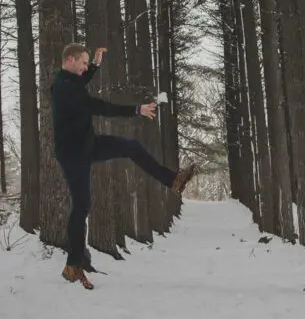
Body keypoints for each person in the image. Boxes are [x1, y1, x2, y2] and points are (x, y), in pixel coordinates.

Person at [51, 43, 197, 290]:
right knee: (82, 205)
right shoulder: (65, 89)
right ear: (71, 60)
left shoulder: (68, 82)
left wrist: (95, 65)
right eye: (83, 63)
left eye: (87, 64)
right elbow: (100, 107)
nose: (85, 67)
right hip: (73, 155)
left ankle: (173, 180)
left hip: (88, 145)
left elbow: (81, 80)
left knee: (132, 147)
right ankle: (72, 265)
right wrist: (136, 110)